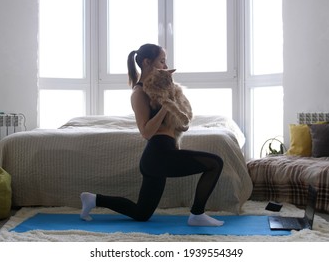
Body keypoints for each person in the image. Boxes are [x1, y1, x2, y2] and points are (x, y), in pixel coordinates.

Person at [80, 43, 224, 226]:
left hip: (159, 157)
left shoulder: (162, 88)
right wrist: (166, 105)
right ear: (147, 62)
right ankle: (197, 214)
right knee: (215, 163)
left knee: (142, 213)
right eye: (162, 61)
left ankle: (93, 199)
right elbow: (146, 132)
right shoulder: (138, 93)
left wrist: (175, 106)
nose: (165, 66)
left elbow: (179, 123)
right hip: (158, 154)